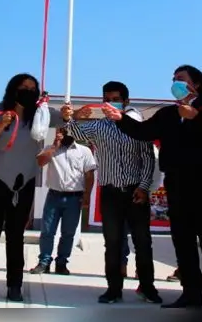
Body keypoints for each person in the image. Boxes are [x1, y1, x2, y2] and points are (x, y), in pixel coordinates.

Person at [103, 65, 202, 310]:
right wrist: (120, 119)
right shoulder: (167, 114)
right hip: (176, 184)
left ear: (195, 83)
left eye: (181, 79)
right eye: (174, 79)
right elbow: (142, 132)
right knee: (183, 242)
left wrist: (197, 118)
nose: (175, 82)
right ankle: (191, 294)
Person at [0, 73, 73, 302]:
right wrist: (3, 122)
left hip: (24, 182)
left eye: (32, 88)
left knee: (16, 235)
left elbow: (66, 120)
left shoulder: (40, 115)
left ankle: (15, 286)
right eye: (23, 87)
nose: (28, 91)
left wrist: (70, 114)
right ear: (12, 89)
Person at [65, 81, 161, 305]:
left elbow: (148, 159)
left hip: (135, 192)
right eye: (106, 99)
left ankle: (147, 287)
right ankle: (113, 289)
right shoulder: (99, 127)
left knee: (143, 242)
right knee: (113, 243)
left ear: (126, 101)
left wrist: (144, 187)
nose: (110, 103)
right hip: (110, 193)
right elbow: (74, 131)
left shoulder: (137, 124)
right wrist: (71, 116)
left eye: (115, 99)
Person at [29, 127, 97, 275]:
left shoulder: (84, 151)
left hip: (74, 197)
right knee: (47, 231)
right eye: (62, 131)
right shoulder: (51, 148)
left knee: (68, 233)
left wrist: (87, 195)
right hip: (54, 195)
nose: (65, 134)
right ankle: (44, 262)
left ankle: (62, 263)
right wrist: (54, 146)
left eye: (68, 131)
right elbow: (40, 162)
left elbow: (89, 174)